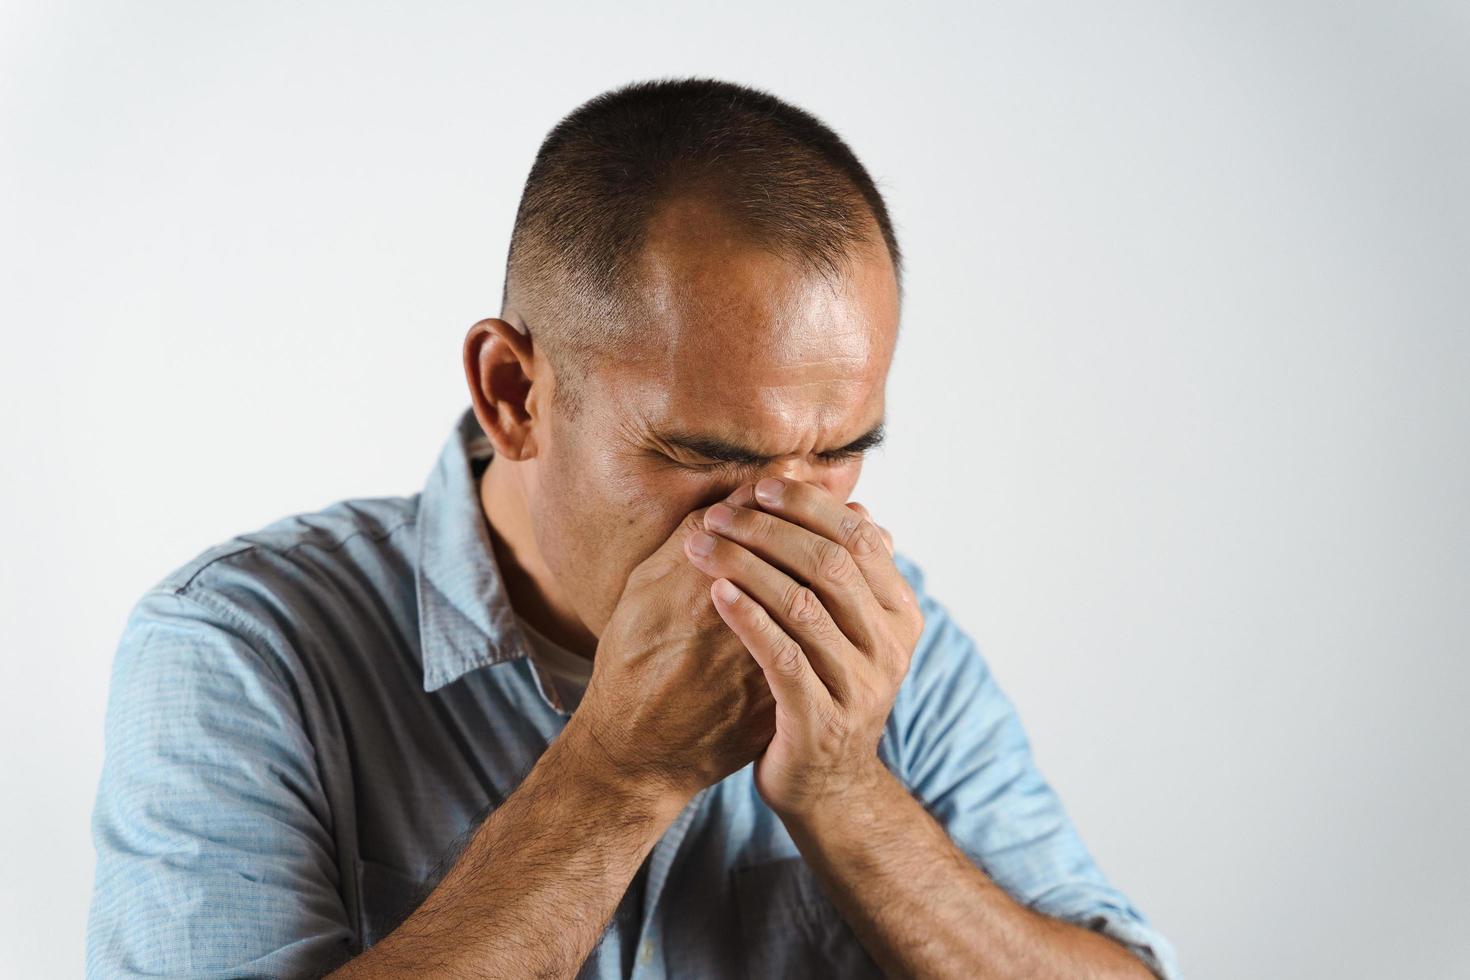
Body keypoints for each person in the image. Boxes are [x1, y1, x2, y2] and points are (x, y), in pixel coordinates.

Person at [86, 77, 1180, 979]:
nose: (786, 516)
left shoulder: (894, 645)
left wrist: (848, 794)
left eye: (843, 450)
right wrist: (614, 775)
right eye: (709, 455)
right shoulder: (236, 649)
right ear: (513, 392)